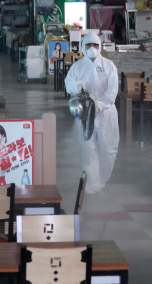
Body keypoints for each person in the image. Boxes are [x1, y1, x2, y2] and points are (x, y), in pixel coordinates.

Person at [65, 31, 119, 195]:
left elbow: (113, 90)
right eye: (88, 45)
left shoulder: (109, 66)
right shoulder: (78, 66)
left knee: (108, 149)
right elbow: (68, 84)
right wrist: (77, 86)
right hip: (85, 115)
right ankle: (92, 182)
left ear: (100, 46)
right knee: (88, 150)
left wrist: (99, 105)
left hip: (106, 114)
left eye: (95, 45)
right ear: (83, 47)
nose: (92, 48)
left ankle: (102, 179)